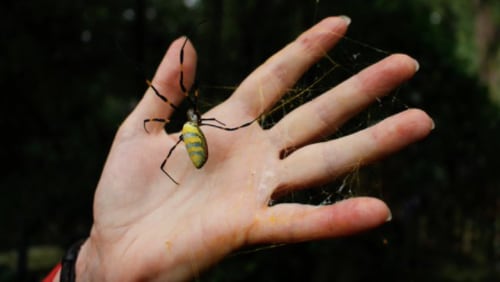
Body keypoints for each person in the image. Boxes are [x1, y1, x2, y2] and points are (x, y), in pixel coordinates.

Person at [44, 16, 434, 281]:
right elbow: (209, 121)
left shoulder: (198, 125)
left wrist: (87, 272)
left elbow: (214, 121)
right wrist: (98, 264)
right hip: (196, 144)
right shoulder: (198, 125)